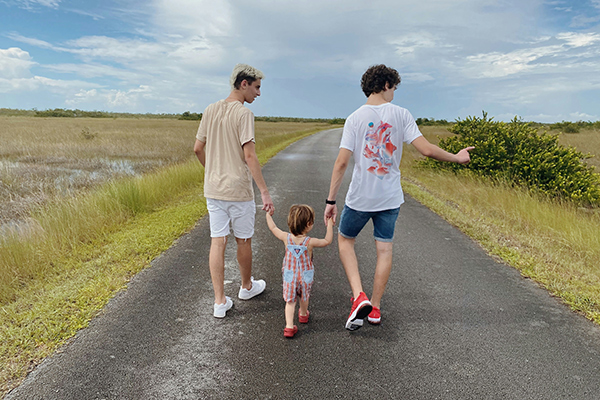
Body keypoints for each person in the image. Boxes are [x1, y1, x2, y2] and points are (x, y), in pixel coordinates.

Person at [324, 64, 474, 331]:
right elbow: (426, 150)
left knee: (346, 241)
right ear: (385, 85)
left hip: (360, 198)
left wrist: (331, 201)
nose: (394, 93)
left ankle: (359, 295)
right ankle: (376, 309)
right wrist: (457, 157)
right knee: (384, 250)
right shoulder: (401, 115)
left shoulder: (354, 118)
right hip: (390, 198)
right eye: (393, 87)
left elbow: (341, 163)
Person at [194, 63, 275, 318]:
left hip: (213, 189)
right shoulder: (244, 114)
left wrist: (212, 171)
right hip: (238, 190)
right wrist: (264, 191)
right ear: (244, 84)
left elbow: (197, 148)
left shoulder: (210, 109)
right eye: (257, 87)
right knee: (244, 240)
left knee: (217, 241)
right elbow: (249, 155)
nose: (258, 94)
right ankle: (246, 287)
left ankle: (219, 302)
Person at [266, 205, 334, 338]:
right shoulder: (309, 242)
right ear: (309, 224)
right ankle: (303, 314)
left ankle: (289, 327)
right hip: (305, 276)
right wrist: (330, 224)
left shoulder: (286, 237)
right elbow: (327, 240)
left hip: (289, 276)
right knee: (304, 296)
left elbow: (273, 228)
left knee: (290, 301)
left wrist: (268, 216)